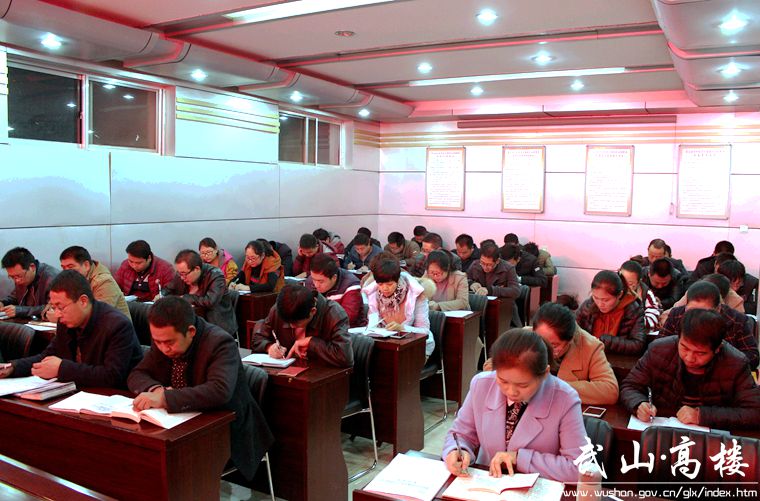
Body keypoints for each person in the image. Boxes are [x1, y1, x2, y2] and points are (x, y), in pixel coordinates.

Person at [128, 297, 273, 480]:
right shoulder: (165, 339)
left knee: (170, 467)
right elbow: (137, 374)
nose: (164, 348)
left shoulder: (220, 343)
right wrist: (156, 390)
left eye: (169, 343)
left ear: (191, 331)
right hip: (181, 424)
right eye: (157, 342)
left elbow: (219, 391)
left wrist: (165, 398)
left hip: (227, 429)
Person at [443, 329, 586, 483]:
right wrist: (456, 451)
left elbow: (580, 468)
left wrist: (520, 458)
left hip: (538, 487)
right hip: (487, 483)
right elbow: (461, 434)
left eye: (522, 385)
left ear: (545, 374)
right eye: (503, 381)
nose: (511, 391)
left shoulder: (565, 399)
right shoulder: (481, 385)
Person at [621, 308, 760, 430]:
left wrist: (702, 415)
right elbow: (630, 386)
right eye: (684, 347)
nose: (689, 358)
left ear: (717, 349)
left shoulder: (735, 363)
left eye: (700, 353)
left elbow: (754, 412)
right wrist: (638, 404)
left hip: (709, 438)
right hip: (660, 427)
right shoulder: (659, 350)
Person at [0, 271, 142, 388]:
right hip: (80, 393)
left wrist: (61, 369)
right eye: (54, 307)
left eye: (60, 307)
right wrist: (13, 367)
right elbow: (49, 355)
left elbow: (112, 376)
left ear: (83, 301)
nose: (57, 314)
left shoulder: (117, 325)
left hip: (115, 398)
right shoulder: (67, 321)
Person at [659, 280, 758, 369]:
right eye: (691, 311)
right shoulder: (677, 315)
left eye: (703, 313)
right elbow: (660, 347)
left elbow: (753, 357)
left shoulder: (737, 320)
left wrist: (722, 360)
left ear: (718, 309)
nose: (697, 317)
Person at [252, 285, 353, 367]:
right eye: (288, 322)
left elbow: (345, 357)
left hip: (321, 375)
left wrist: (311, 342)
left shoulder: (334, 314)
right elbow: (258, 338)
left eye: (296, 323)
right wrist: (269, 347)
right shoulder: (280, 309)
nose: (291, 326)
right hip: (287, 372)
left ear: (313, 311)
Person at [363, 254, 433, 356]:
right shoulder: (374, 293)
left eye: (390, 284)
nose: (384, 288)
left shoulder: (416, 294)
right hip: (388, 346)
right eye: (380, 284)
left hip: (417, 347)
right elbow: (372, 324)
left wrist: (402, 328)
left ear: (397, 280)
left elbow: (424, 331)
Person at [162, 250, 237, 337]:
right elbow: (168, 289)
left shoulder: (215, 275)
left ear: (197, 269)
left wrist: (186, 298)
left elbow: (210, 301)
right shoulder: (182, 274)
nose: (182, 277)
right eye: (179, 274)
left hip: (216, 325)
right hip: (191, 322)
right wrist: (162, 294)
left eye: (184, 274)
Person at [575, 270, 646, 356]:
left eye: (606, 300)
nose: (600, 304)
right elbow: (573, 330)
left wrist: (608, 341)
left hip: (618, 360)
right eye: (596, 297)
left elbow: (638, 345)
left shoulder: (633, 310)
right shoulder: (588, 305)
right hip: (588, 357)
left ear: (619, 295)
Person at [59, 246, 131, 320]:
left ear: (86, 265)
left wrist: (63, 315)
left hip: (113, 326)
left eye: (70, 267)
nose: (66, 272)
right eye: (63, 268)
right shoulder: (73, 279)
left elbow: (98, 315)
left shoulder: (104, 282)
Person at [305, 253, 364, 327]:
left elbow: (346, 318)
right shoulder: (310, 282)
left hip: (349, 330)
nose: (316, 285)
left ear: (334, 278)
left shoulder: (351, 285)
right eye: (314, 279)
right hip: (319, 328)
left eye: (321, 281)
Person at [0, 247, 59, 319]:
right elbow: (15, 297)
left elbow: (52, 308)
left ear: (32, 267)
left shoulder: (52, 278)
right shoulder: (20, 277)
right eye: (12, 277)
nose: (17, 281)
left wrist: (21, 311)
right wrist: (3, 303)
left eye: (19, 276)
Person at [619, 260, 660, 331]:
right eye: (621, 281)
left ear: (638, 282)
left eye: (630, 284)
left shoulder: (646, 293)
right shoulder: (611, 288)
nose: (624, 286)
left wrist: (634, 323)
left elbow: (653, 318)